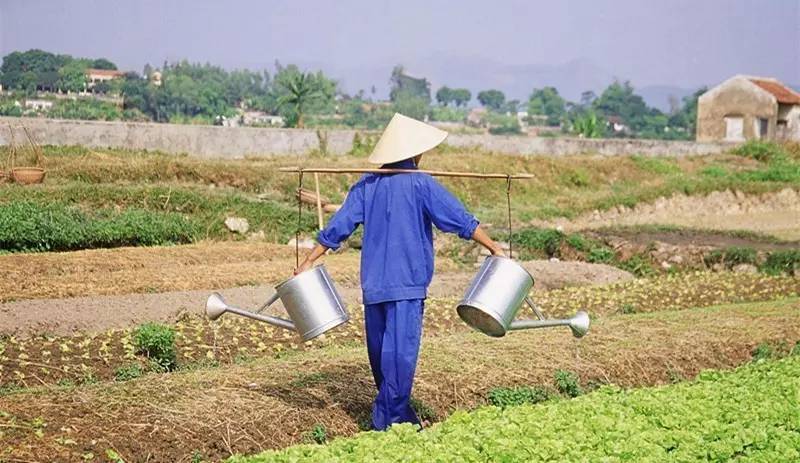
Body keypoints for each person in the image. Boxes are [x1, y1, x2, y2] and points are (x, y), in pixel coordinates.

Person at [295, 113, 503, 430]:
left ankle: (394, 414)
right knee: (397, 355)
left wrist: (310, 259)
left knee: (381, 355)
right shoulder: (421, 184)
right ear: (414, 152)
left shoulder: (367, 185)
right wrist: (494, 248)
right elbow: (460, 219)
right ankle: (391, 420)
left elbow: (338, 227)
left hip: (375, 284)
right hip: (406, 282)